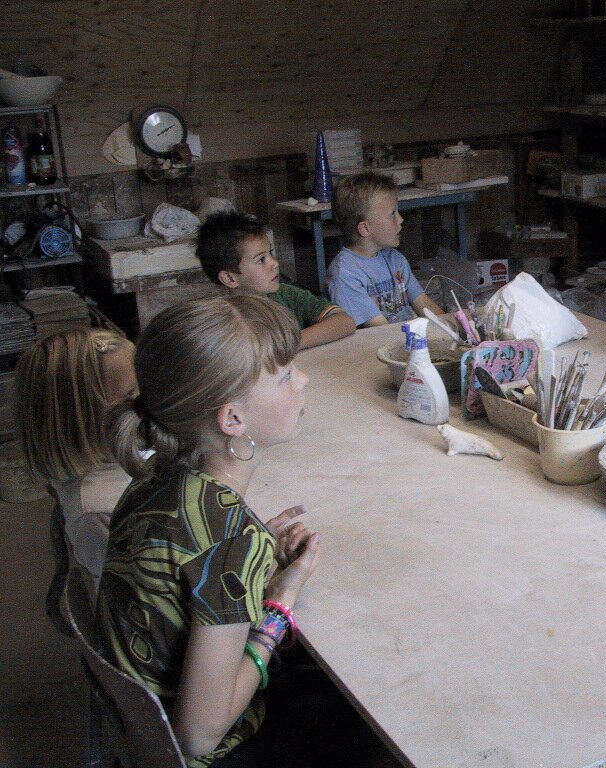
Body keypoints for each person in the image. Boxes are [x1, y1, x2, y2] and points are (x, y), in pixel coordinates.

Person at [97, 295, 334, 766]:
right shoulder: (231, 541)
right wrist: (279, 605)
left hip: (140, 731)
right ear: (232, 419)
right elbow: (198, 736)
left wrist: (249, 554)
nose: (303, 379)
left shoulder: (150, 482)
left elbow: (192, 563)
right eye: (286, 375)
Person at [16, 328, 138, 599]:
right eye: (130, 396)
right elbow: (140, 600)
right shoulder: (98, 511)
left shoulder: (125, 452)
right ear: (80, 420)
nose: (147, 402)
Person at [196, 211, 356, 349]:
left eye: (270, 253)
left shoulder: (286, 295)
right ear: (230, 278)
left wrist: (290, 344)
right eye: (261, 259)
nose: (275, 263)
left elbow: (344, 322)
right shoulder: (222, 322)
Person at [327, 171, 444, 327]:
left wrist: (451, 326)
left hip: (405, 335)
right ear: (365, 228)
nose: (400, 219)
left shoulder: (395, 258)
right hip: (384, 340)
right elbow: (381, 330)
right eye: (392, 214)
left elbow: (423, 303)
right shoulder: (345, 274)